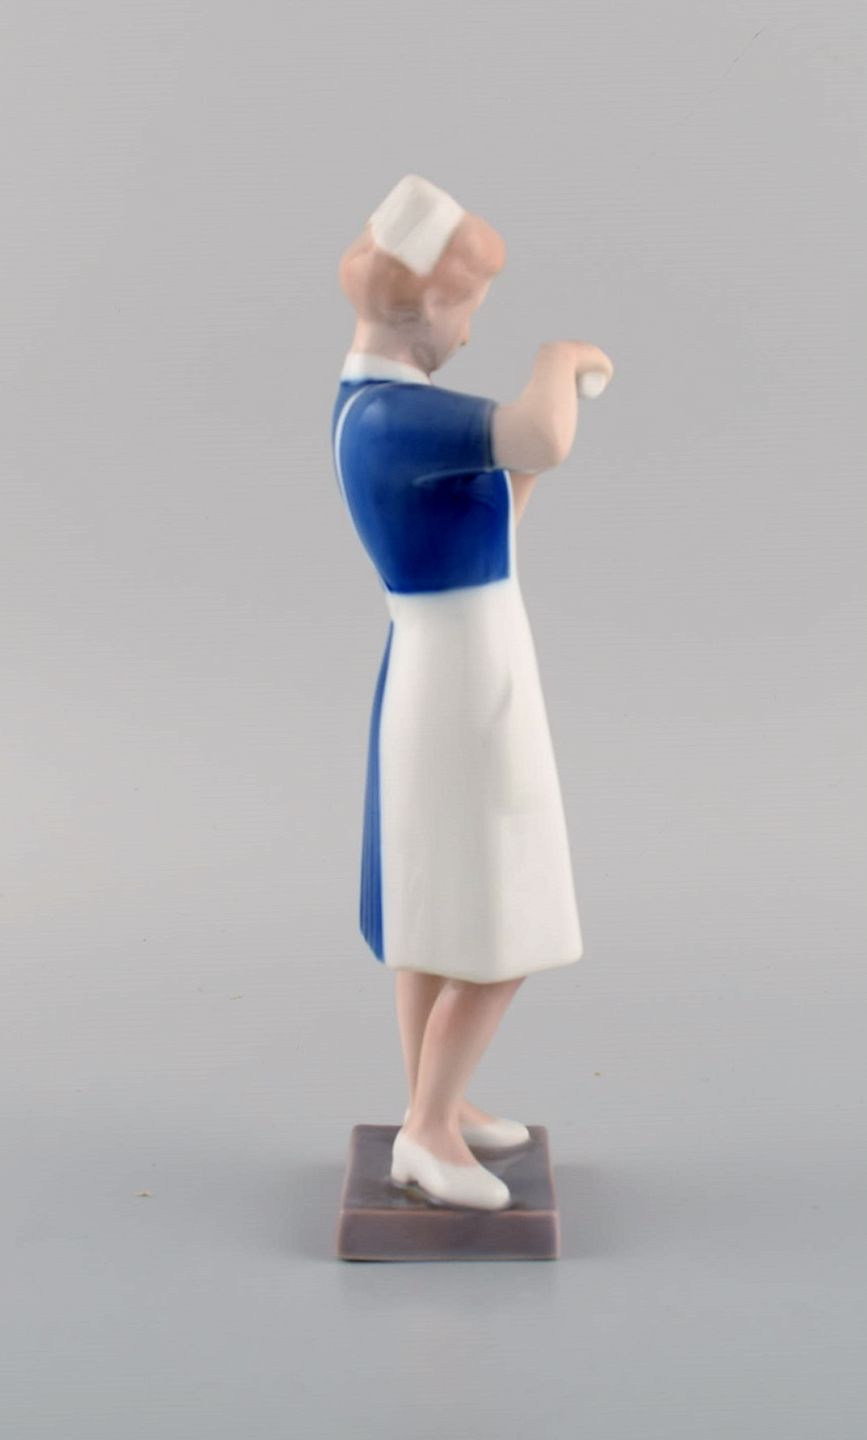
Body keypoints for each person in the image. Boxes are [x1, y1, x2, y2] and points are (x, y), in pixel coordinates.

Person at [331, 174, 614, 1210]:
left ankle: (435, 1107)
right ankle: (426, 1130)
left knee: (435, 911)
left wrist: (523, 469)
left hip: (456, 655)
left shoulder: (371, 406)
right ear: (431, 308)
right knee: (501, 917)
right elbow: (541, 435)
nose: (471, 331)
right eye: (471, 310)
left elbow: (493, 513)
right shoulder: (393, 417)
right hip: (462, 678)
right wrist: (561, 358)